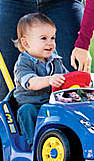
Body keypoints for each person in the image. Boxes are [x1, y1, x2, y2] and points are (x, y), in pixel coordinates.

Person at [12, 13, 67, 146]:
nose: (50, 43)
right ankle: (34, 144)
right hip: (33, 104)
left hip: (53, 104)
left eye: (52, 38)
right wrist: (49, 80)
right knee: (27, 111)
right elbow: (31, 82)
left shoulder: (56, 61)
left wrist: (80, 81)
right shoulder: (23, 64)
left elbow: (67, 78)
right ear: (26, 43)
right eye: (44, 38)